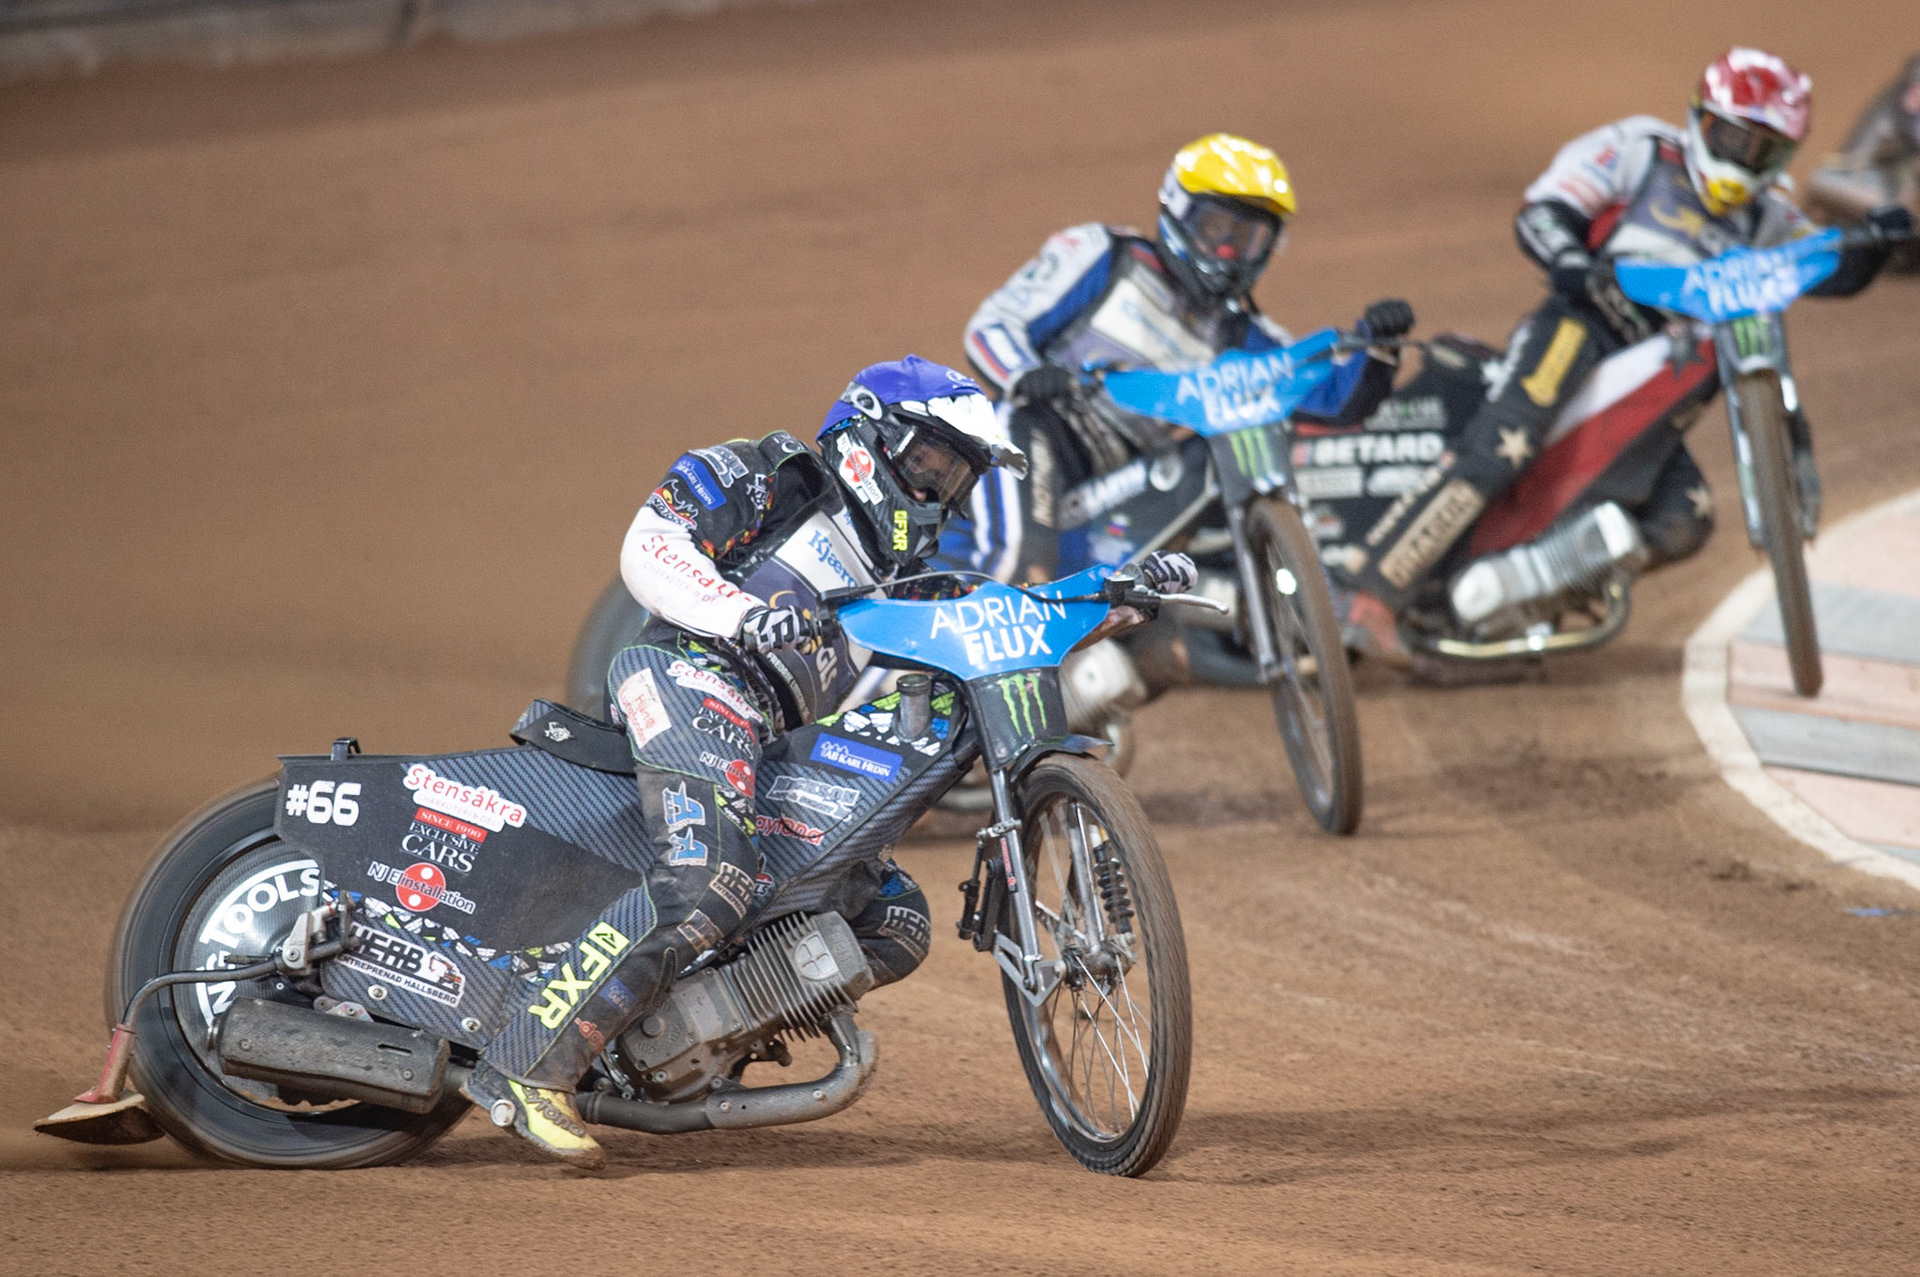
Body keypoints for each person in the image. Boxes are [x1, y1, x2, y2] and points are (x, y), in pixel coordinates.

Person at [460, 355, 1197, 1168]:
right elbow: (650, 542)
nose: (939, 493)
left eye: (957, 479)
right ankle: (529, 1063)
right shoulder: (775, 472)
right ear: (869, 440)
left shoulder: (902, 574)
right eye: (930, 465)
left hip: (763, 733)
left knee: (893, 920)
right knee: (711, 876)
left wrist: (1117, 589)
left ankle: (686, 1036)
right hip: (684, 673)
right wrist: (737, 612)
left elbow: (1000, 615)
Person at [1347, 47, 1914, 624]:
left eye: (1761, 149)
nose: (1741, 159)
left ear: (1782, 157)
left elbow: (1828, 266)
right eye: (1731, 137)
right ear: (1700, 118)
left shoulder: (1769, 217)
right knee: (1504, 439)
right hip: (1583, 325)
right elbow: (1543, 210)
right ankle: (1372, 601)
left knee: (1683, 521)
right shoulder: (1641, 149)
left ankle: (1513, 595)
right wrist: (1569, 259)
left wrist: (1875, 241)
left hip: (1670, 377)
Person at [954, 132, 1415, 590]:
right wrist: (1023, 373)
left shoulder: (1245, 334)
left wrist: (1379, 349)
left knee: (1223, 455)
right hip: (1041, 437)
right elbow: (994, 324)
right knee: (1021, 568)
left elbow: (1334, 399)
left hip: (1132, 486)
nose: (1229, 252)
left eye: (1249, 238)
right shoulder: (1104, 255)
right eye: (1216, 229)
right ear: (1178, 211)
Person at [1805, 53, 1920, 272]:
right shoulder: (1908, 100)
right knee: (1906, 189)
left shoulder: (1898, 93)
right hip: (1850, 181)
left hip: (1846, 179)